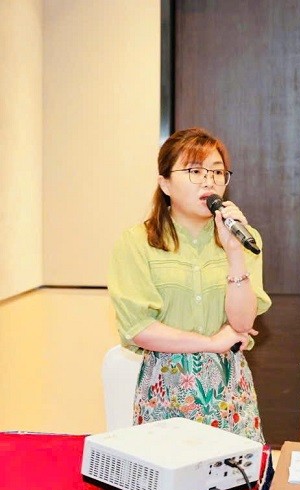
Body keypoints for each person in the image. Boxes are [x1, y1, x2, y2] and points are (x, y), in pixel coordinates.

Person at [108, 127, 271, 442]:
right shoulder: (136, 242)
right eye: (195, 171)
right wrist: (210, 343)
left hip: (229, 386)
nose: (209, 181)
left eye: (217, 172)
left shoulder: (242, 238)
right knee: (166, 469)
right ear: (165, 183)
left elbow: (242, 323)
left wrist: (234, 253)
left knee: (234, 472)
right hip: (165, 386)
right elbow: (139, 328)